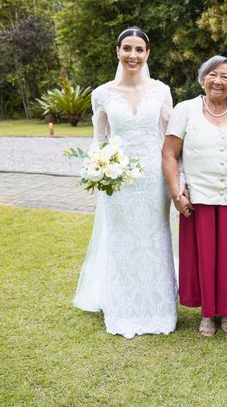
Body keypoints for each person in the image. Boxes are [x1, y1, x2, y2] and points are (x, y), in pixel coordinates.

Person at [73, 26, 178, 338]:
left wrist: (179, 179)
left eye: (139, 50)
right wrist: (98, 167)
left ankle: (158, 307)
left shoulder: (161, 90)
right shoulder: (102, 94)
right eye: (127, 48)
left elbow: (171, 140)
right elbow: (98, 140)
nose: (133, 55)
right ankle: (124, 308)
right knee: (122, 241)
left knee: (154, 238)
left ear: (147, 54)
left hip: (154, 179)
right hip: (117, 182)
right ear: (118, 51)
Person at [162, 55, 227, 337]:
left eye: (225, 76)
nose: (218, 80)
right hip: (198, 197)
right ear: (203, 78)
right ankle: (207, 312)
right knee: (203, 256)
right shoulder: (186, 109)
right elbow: (169, 153)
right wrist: (175, 192)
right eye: (213, 74)